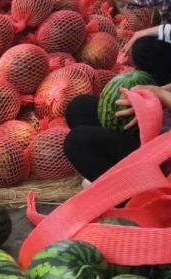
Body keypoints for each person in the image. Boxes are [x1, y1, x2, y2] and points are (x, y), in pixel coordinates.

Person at [64, 6, 171, 181]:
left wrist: (160, 96)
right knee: (78, 109)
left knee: (77, 142)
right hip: (161, 128)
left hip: (164, 154)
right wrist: (150, 97)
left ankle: (134, 194)